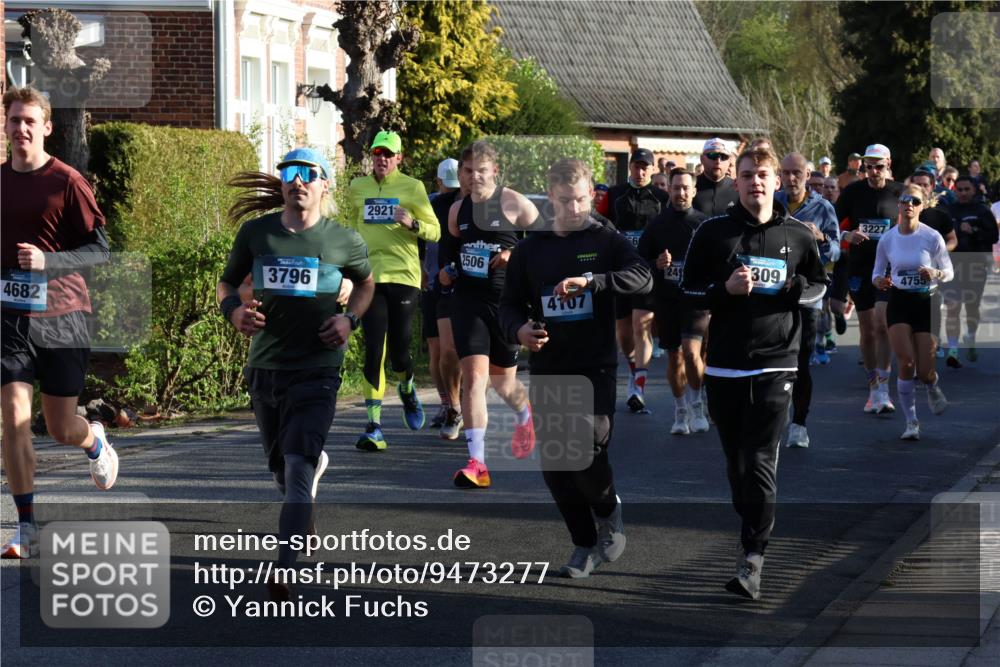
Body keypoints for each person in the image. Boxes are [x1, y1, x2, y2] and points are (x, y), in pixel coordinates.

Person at [218, 147, 375, 599]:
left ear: (325, 184)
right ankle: (304, 488)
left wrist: (351, 320)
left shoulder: (344, 241)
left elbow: (366, 283)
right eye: (289, 171)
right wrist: (235, 312)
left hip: (318, 369)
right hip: (266, 368)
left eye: (309, 173)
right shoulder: (257, 234)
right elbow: (227, 282)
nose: (297, 179)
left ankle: (285, 567)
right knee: (282, 472)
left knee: (297, 464)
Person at [682, 145, 827, 600]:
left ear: (776, 181)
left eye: (762, 175)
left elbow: (820, 283)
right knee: (737, 464)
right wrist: (723, 290)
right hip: (725, 364)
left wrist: (794, 288)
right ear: (737, 181)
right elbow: (688, 289)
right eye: (747, 175)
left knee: (761, 458)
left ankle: (753, 558)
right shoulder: (712, 232)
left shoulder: (798, 235)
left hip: (776, 362)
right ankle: (751, 532)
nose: (755, 182)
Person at [499, 157, 652, 578]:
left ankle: (607, 507)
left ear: (592, 196)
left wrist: (594, 281)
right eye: (565, 200)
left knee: (585, 447)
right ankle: (584, 544)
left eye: (582, 199)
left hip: (595, 366)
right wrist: (519, 332)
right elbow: (508, 305)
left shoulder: (606, 239)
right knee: (555, 465)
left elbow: (643, 277)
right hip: (550, 365)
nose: (574, 208)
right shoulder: (532, 248)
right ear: (550, 197)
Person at [1, 87, 118, 559]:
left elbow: (101, 250)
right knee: (13, 418)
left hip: (64, 316)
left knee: (59, 426)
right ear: (5, 126)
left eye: (30, 120)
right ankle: (25, 527)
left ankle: (93, 440)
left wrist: (48, 261)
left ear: (47, 127)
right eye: (14, 120)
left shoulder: (67, 181)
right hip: (9, 315)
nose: (21, 128)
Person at [439, 141, 538, 488]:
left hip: (505, 304)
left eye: (481, 170)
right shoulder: (456, 211)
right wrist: (446, 273)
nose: (474, 177)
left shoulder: (514, 203)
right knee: (474, 378)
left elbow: (544, 244)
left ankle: (526, 417)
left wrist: (514, 253)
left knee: (503, 382)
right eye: (468, 171)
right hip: (468, 301)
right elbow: (451, 253)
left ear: (495, 171)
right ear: (461, 173)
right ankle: (477, 463)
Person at [348, 131, 440, 450]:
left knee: (400, 351)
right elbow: (350, 230)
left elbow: (436, 231)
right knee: (374, 350)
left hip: (404, 277)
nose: (382, 159)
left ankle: (407, 387)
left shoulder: (413, 188)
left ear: (399, 157)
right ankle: (374, 426)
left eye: (388, 154)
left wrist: (413, 224)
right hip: (369, 279)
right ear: (371, 156)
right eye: (377, 153)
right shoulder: (357, 188)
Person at [872, 185, 953, 440]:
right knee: (905, 362)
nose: (908, 204)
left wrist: (936, 273)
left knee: (925, 369)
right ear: (899, 205)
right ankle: (911, 422)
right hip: (899, 302)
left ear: (922, 205)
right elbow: (876, 272)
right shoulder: (888, 238)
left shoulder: (932, 237)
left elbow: (949, 272)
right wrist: (879, 281)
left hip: (926, 302)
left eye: (914, 200)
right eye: (904, 199)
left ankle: (931, 383)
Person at [636, 168, 709, 434]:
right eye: (676, 188)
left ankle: (697, 404)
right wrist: (657, 263)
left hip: (696, 298)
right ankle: (680, 411)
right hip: (667, 299)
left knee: (692, 352)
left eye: (686, 188)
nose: (681, 193)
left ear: (694, 191)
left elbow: (718, 260)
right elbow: (639, 261)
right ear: (669, 189)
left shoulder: (703, 223)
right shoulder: (657, 225)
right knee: (675, 357)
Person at [836, 143, 903, 414]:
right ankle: (873, 386)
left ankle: (884, 388)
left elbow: (917, 225)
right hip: (860, 268)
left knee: (882, 325)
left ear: (888, 164)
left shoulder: (900, 192)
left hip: (889, 269)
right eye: (868, 166)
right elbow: (832, 224)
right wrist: (846, 235)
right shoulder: (852, 192)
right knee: (867, 330)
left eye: (879, 166)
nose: (873, 171)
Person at [780, 153, 840, 449]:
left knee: (801, 360)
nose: (791, 179)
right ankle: (773, 417)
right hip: (774, 292)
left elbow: (837, 250)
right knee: (775, 360)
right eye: (786, 172)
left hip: (808, 295)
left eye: (796, 173)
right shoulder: (771, 202)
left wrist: (822, 240)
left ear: (807, 175)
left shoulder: (823, 207)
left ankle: (799, 422)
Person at [605, 148, 669, 412]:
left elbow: (669, 231)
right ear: (630, 167)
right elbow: (602, 226)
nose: (640, 172)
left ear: (653, 170)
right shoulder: (614, 195)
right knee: (623, 333)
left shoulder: (661, 197)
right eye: (636, 166)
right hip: (620, 271)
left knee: (641, 325)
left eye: (646, 167)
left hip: (648, 272)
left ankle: (639, 385)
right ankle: (633, 371)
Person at [943, 175, 999, 366]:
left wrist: (973, 230)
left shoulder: (982, 211)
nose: (963, 193)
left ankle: (971, 336)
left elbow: (993, 236)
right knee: (953, 306)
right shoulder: (948, 211)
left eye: (967, 189)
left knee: (971, 307)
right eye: (960, 189)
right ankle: (953, 349)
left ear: (973, 190)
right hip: (953, 265)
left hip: (976, 264)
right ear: (955, 190)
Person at [424, 158, 462, 436]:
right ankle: (446, 403)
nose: (450, 191)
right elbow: (414, 240)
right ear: (438, 183)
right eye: (446, 186)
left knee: (451, 351)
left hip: (456, 283)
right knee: (437, 351)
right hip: (431, 281)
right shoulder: (427, 203)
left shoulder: (466, 204)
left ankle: (455, 405)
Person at [693, 138, 739, 217]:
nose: (718, 161)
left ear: (729, 161)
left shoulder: (738, 189)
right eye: (712, 155)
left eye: (724, 156)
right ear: (702, 159)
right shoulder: (690, 187)